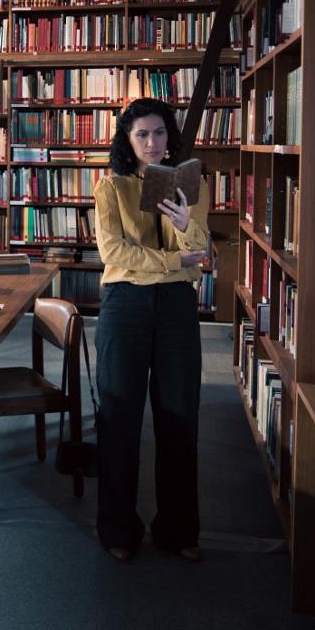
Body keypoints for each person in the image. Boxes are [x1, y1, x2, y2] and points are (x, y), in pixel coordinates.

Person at [90, 98, 211, 563]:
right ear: (128, 139)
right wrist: (174, 260)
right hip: (126, 303)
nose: (152, 142)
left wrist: (184, 225)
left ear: (169, 136)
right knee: (119, 415)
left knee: (179, 414)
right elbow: (114, 253)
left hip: (176, 305)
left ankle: (178, 530)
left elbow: (199, 253)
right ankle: (119, 530)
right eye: (141, 134)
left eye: (159, 133)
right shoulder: (111, 188)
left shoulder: (191, 183)